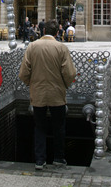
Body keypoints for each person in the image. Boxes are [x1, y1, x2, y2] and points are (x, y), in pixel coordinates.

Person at [19, 19, 77, 170]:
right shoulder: (61, 48)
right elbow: (69, 73)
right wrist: (65, 84)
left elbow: (24, 73)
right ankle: (58, 157)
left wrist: (31, 84)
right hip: (57, 94)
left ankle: (40, 160)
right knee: (59, 127)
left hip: (38, 94)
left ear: (43, 31)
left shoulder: (32, 47)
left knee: (39, 127)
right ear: (57, 32)